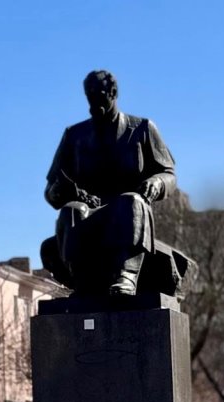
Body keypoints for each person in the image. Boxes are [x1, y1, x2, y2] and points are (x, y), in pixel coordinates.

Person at [42, 70, 177, 296]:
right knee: (72, 211)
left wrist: (157, 183)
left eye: (99, 94)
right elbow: (51, 188)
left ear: (113, 93)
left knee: (130, 201)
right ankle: (83, 282)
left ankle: (127, 275)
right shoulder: (74, 136)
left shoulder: (142, 129)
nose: (93, 101)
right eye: (89, 96)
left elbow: (168, 174)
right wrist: (56, 192)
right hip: (90, 213)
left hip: (128, 213)